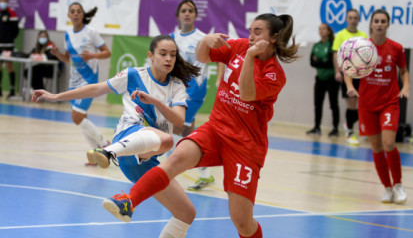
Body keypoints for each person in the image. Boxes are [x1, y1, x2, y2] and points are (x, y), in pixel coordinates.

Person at [99, 13, 298, 238]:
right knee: (177, 157)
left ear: (273, 38)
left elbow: (246, 93)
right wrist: (205, 41)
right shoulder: (241, 46)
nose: (251, 37)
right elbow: (203, 57)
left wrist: (251, 55)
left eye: (258, 32)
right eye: (250, 31)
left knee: (242, 221)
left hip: (246, 146)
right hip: (216, 129)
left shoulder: (275, 74)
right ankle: (128, 202)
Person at [33, 34, 201, 238]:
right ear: (150, 55)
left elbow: (178, 120)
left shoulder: (177, 86)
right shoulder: (133, 75)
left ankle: (120, 183)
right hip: (127, 136)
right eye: (163, 54)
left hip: (147, 161)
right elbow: (96, 89)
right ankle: (108, 150)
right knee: (166, 140)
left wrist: (155, 102)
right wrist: (56, 96)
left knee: (186, 213)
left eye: (172, 55)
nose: (168, 59)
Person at [344, 9, 410, 204]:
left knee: (389, 143)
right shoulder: (363, 47)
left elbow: (404, 71)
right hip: (367, 104)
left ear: (388, 24)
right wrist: (349, 87)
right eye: (376, 21)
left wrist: (405, 86)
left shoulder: (396, 48)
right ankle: (387, 189)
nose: (380, 24)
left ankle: (398, 185)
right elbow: (349, 69)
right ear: (371, 24)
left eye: (383, 21)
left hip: (389, 103)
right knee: (376, 147)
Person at [169, 0, 223, 191]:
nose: (187, 13)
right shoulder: (171, 38)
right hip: (177, 90)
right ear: (178, 15)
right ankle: (206, 175)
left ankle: (167, 175)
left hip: (194, 91)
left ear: (195, 15)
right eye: (183, 10)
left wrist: (220, 79)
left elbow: (223, 53)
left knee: (174, 128)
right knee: (188, 134)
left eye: (190, 10)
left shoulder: (203, 38)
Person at [50, 2, 111, 165]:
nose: (76, 14)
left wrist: (93, 55)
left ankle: (105, 145)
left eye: (78, 11)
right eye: (72, 12)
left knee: (76, 117)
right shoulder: (67, 34)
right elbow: (68, 58)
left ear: (83, 15)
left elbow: (107, 52)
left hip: (89, 79)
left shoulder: (91, 33)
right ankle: (96, 156)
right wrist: (57, 54)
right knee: (81, 118)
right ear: (69, 16)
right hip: (74, 81)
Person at [332, 9, 368, 145]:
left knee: (361, 104)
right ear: (347, 19)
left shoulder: (363, 35)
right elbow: (335, 54)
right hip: (347, 73)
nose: (353, 20)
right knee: (351, 102)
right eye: (350, 17)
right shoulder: (341, 35)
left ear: (358, 19)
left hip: (361, 74)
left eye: (355, 17)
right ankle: (350, 131)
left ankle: (351, 126)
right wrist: (337, 71)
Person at [307, 23, 339, 137]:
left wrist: (318, 61)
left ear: (329, 31)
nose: (321, 31)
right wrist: (322, 61)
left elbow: (330, 62)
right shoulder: (317, 45)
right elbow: (311, 62)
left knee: (333, 104)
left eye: (323, 29)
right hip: (319, 78)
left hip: (331, 79)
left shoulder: (332, 44)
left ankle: (335, 128)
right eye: (319, 29)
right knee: (318, 103)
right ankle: (316, 127)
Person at [0, 0, 19, 98]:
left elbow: (15, 30)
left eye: (3, 1)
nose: (2, 3)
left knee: (9, 66)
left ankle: (12, 90)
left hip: (8, 45)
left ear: (7, 2)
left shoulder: (12, 13)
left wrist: (9, 38)